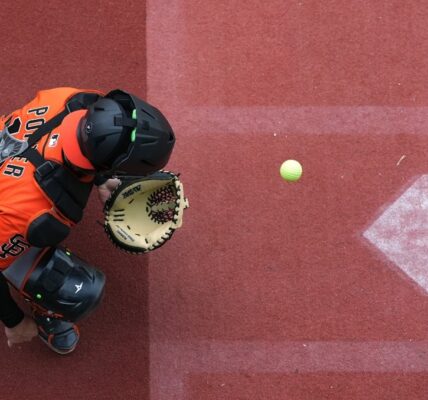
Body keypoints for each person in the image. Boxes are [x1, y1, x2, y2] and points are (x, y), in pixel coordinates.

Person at [0, 87, 175, 354]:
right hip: (12, 208)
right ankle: (44, 308)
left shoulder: (74, 99)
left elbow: (79, 139)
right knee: (78, 289)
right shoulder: (39, 213)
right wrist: (14, 322)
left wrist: (101, 178)